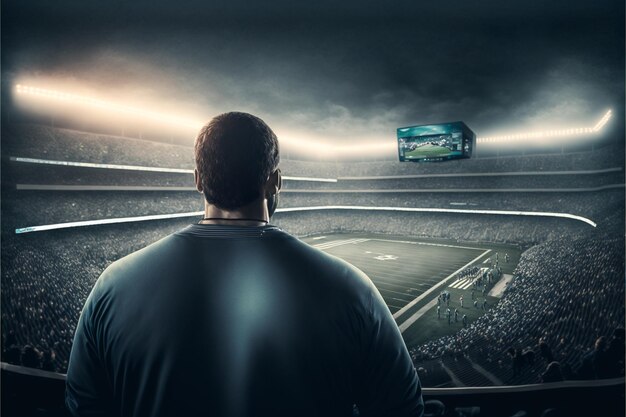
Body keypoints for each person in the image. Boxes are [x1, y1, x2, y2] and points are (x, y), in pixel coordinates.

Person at [65, 112, 423, 417]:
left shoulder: (112, 284)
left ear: (198, 181)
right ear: (275, 181)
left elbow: (84, 406)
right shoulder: (350, 287)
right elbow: (402, 407)